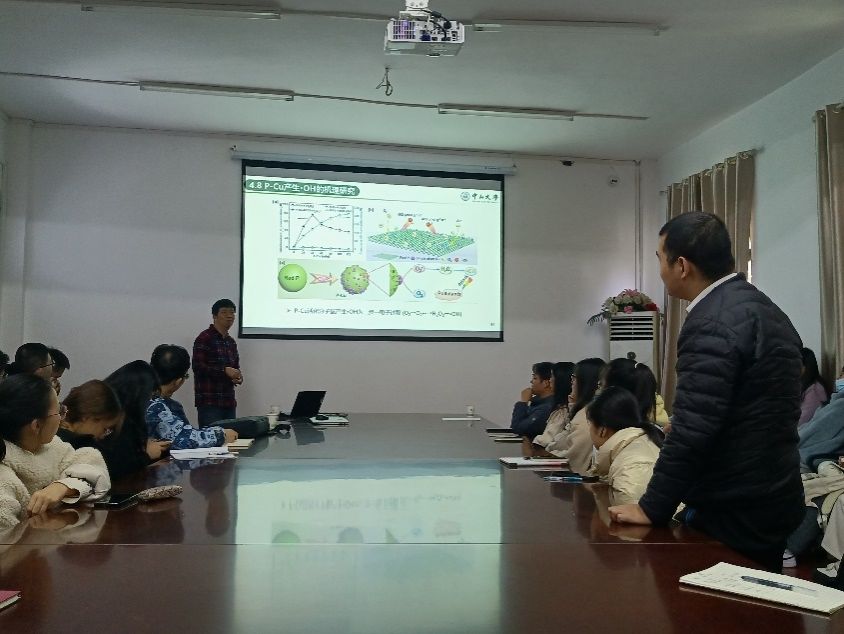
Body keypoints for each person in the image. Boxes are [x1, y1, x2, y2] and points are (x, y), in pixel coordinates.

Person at [610, 211, 804, 571]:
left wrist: (652, 507)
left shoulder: (711, 322)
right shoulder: (767, 309)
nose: (660, 269)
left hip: (734, 503)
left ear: (682, 266)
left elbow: (693, 432)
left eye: (660, 259)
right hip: (775, 489)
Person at [0, 374, 110, 528]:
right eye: (59, 411)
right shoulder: (4, 472)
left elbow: (94, 465)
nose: (61, 418)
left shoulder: (51, 446)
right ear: (36, 425)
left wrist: (64, 487)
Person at [147, 344, 237, 449]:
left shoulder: (168, 404)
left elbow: (187, 432)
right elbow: (183, 439)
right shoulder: (155, 406)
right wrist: (221, 435)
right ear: (179, 381)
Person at [587, 386, 664, 505]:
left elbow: (630, 510)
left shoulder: (630, 467)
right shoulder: (640, 441)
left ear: (602, 430)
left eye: (590, 424)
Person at [101, 360, 170, 480]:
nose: (149, 401)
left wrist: (143, 446)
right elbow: (115, 467)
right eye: (149, 396)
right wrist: (146, 455)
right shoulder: (113, 418)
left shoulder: (123, 414)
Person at [193, 298, 243, 427]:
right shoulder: (204, 338)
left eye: (232, 312)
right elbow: (198, 367)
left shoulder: (231, 342)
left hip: (228, 401)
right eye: (224, 312)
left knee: (231, 438)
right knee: (211, 439)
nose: (229, 316)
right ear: (214, 316)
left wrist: (238, 376)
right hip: (210, 403)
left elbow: (235, 367)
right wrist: (224, 371)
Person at [57, 380, 124, 450]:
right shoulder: (74, 448)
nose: (102, 437)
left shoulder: (51, 427)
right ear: (87, 416)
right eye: (105, 430)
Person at [531, 362, 575, 448]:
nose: (550, 380)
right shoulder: (560, 406)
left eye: (552, 377)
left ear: (561, 381)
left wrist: (522, 403)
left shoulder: (564, 410)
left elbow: (546, 440)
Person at [510, 362, 556, 437]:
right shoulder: (537, 402)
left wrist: (523, 402)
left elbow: (517, 429)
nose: (531, 381)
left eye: (535, 378)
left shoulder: (547, 407)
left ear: (546, 383)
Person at [799, 347, 830, 426]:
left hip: (808, 430)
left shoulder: (815, 389)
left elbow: (803, 420)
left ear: (806, 366)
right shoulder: (802, 384)